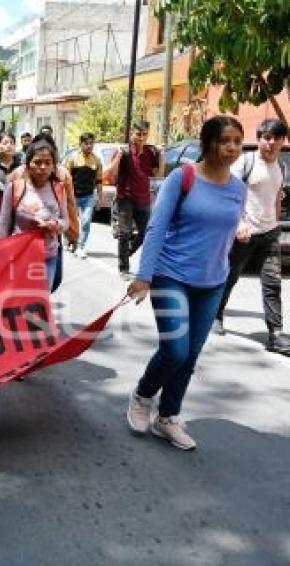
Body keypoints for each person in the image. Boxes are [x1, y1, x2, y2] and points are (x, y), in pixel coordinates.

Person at [126, 116, 246, 451]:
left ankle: (168, 418)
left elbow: (222, 229)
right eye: (226, 140)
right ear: (208, 143)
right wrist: (144, 276)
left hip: (213, 281)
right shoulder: (183, 177)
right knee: (175, 350)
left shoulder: (238, 188)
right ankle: (142, 395)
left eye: (237, 140)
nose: (233, 147)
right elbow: (157, 227)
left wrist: (242, 231)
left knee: (191, 354)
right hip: (170, 275)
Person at [213, 119, 290, 355]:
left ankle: (275, 335)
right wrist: (240, 222)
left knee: (272, 284)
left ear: (282, 141)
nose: (271, 143)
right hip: (244, 234)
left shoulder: (282, 168)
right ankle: (215, 315)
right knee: (230, 276)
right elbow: (229, 195)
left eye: (277, 138)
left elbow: (277, 197)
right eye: (267, 137)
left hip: (269, 234)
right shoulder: (245, 163)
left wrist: (276, 223)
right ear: (259, 139)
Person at [0, 139, 69, 291]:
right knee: (19, 300)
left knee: (40, 303)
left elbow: (66, 221)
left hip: (48, 256)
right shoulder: (15, 187)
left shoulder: (59, 189)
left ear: (53, 166)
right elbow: (3, 224)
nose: (43, 167)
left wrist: (55, 225)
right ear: (28, 164)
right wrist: (0, 256)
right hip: (19, 256)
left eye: (48, 163)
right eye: (38, 162)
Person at [105, 120, 164, 279]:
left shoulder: (151, 152)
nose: (141, 138)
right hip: (125, 198)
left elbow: (158, 175)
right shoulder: (124, 152)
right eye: (138, 134)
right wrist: (118, 156)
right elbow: (111, 174)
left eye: (145, 134)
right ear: (132, 134)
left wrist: (161, 155)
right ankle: (123, 268)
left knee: (145, 233)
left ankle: (126, 252)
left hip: (143, 198)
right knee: (125, 232)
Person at [63, 132, 103, 259]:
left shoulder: (96, 160)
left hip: (88, 196)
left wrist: (100, 197)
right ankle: (69, 239)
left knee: (86, 222)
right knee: (70, 222)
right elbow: (65, 178)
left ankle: (80, 247)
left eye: (91, 143)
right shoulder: (72, 158)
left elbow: (99, 180)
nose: (89, 146)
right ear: (81, 144)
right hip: (72, 196)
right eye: (86, 143)